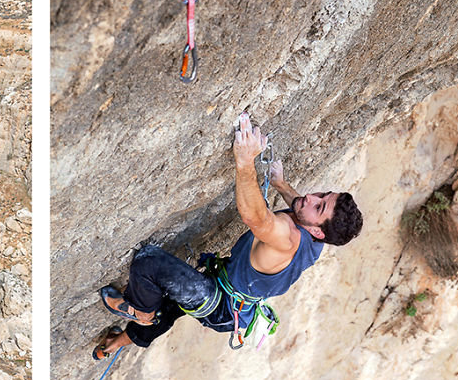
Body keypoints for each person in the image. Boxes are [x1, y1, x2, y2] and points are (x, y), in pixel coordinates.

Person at [95, 112, 363, 358]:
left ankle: (141, 311)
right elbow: (301, 206)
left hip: (221, 305)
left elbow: (256, 218)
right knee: (172, 304)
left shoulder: (289, 237)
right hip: (237, 303)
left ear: (317, 231)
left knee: (149, 262)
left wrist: (245, 161)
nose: (312, 197)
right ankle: (119, 341)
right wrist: (281, 184)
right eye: (323, 194)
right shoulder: (318, 236)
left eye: (320, 206)